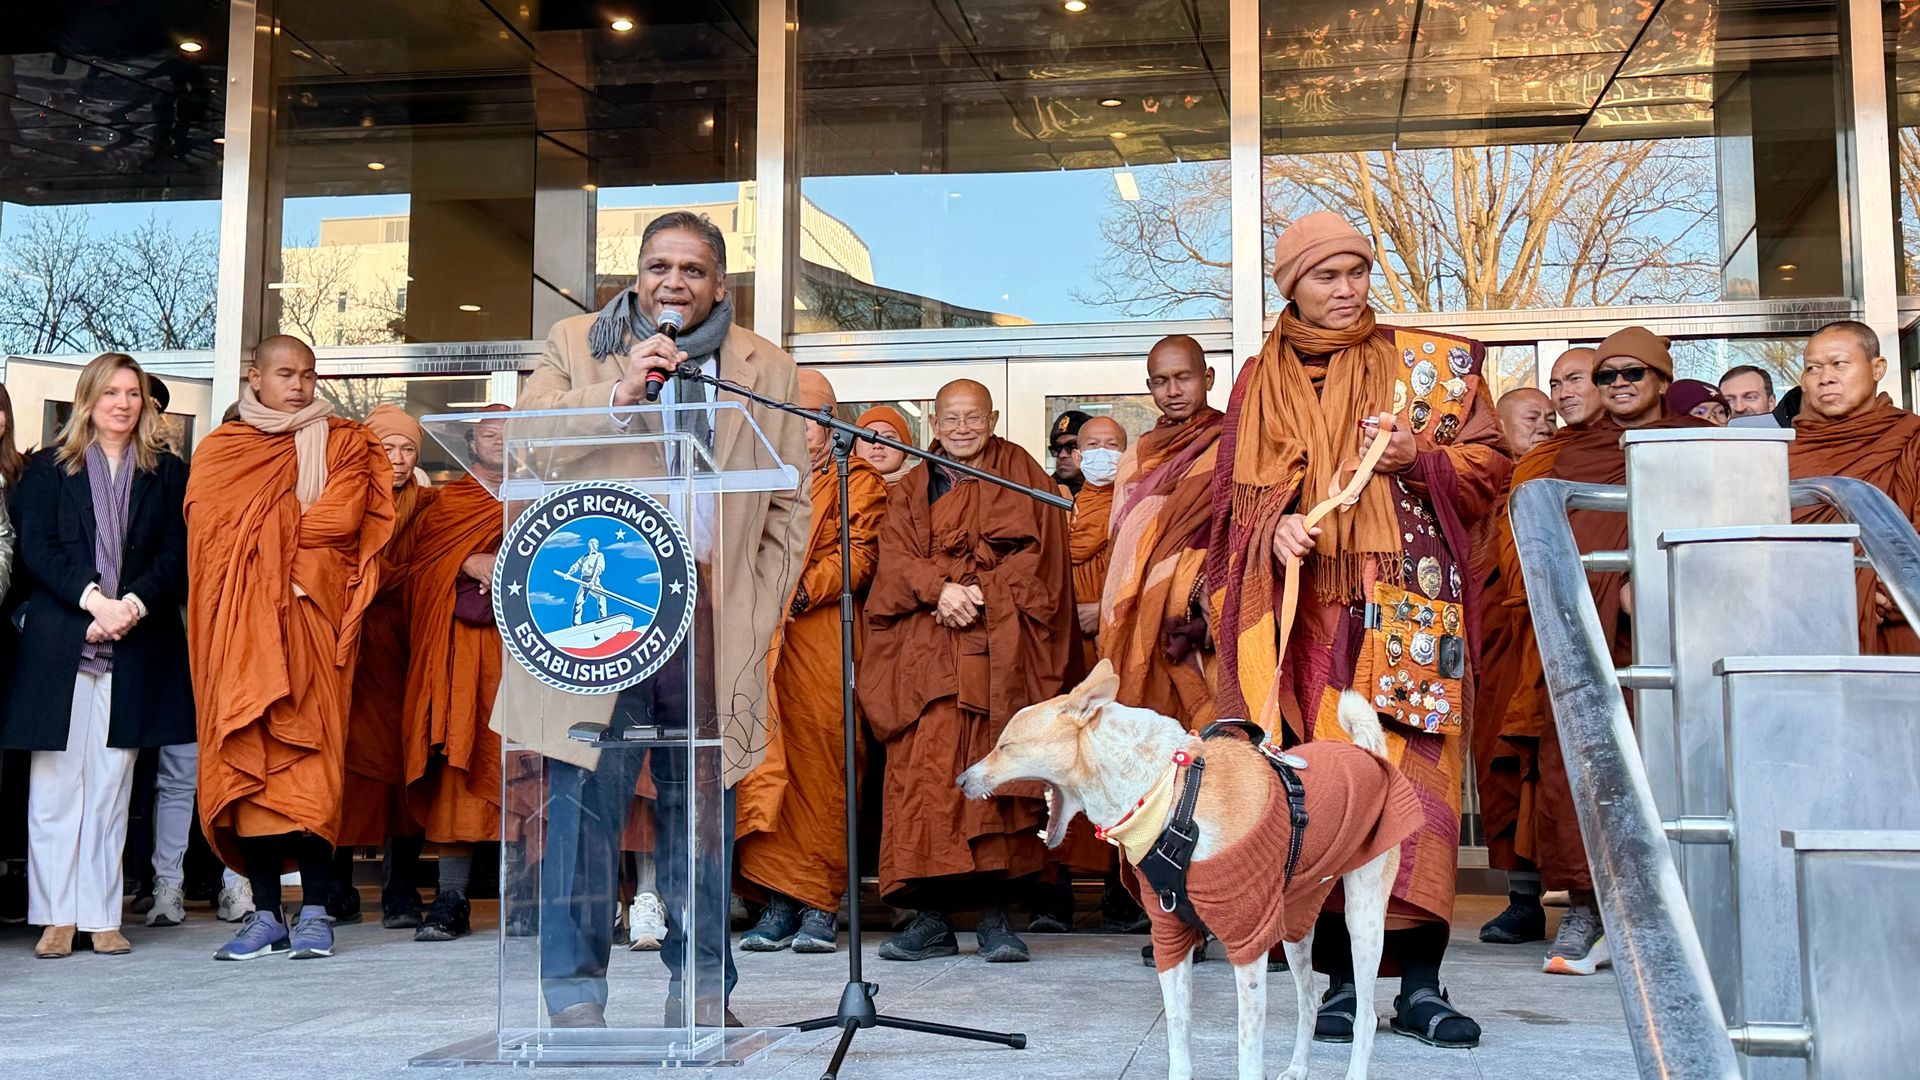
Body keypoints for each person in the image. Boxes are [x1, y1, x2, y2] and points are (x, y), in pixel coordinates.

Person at [1207, 211, 1510, 1047]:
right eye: (1326, 277)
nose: (1347, 291)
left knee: (1417, 791)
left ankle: (1421, 985)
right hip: (1306, 625)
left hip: (1407, 613)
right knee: (1329, 794)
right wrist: (1272, 531)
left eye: (1358, 273)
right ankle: (1341, 983)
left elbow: (1489, 468)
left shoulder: (1431, 368)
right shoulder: (1258, 381)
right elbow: (1232, 506)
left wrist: (1423, 459)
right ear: (1291, 287)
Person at [513, 209, 807, 1027]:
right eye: (658, 266)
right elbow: (526, 444)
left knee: (700, 808)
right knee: (581, 802)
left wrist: (758, 607)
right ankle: (573, 997)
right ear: (636, 277)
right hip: (600, 613)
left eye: (691, 269)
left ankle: (702, 988)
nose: (672, 282)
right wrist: (617, 392)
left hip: (712, 612)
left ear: (720, 285)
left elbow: (791, 502)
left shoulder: (766, 367)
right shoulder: (576, 345)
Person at [1486, 326, 1707, 978]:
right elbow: (1533, 546)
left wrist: (1646, 582)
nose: (1614, 387)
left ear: (1661, 380)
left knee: (1664, 772)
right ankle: (1585, 908)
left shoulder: (1686, 443)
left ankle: (1666, 917)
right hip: (1573, 637)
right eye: (1604, 376)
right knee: (1572, 775)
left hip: (1661, 643)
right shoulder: (1567, 455)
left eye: (1626, 375)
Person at [188, 335, 396, 962]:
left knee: (312, 766)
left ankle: (313, 910)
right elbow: (207, 532)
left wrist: (272, 530)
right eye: (286, 374)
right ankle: (264, 913)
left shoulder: (345, 442)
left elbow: (340, 524)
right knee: (242, 763)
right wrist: (289, 531)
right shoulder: (222, 450)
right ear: (254, 377)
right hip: (238, 631)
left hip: (310, 624)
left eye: (308, 375)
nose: (300, 386)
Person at [860, 378, 1073, 964]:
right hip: (927, 653)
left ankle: (995, 917)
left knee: (992, 776)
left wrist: (976, 591)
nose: (960, 428)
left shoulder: (1020, 472)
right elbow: (894, 560)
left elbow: (1042, 558)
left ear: (993, 417)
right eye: (950, 418)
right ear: (932, 419)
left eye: (972, 417)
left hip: (995, 649)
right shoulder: (913, 486)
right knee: (923, 778)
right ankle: (929, 919)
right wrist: (938, 590)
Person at [0, 353, 193, 959]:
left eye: (132, 393)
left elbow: (175, 551)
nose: (122, 403)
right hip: (64, 640)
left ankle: (101, 914)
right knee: (56, 786)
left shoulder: (167, 473)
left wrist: (131, 605)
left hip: (134, 640)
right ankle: (57, 916)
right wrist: (91, 603)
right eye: (110, 392)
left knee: (113, 784)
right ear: (87, 399)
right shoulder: (48, 471)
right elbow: (38, 550)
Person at [736, 369, 887, 954]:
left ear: (834, 423)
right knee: (766, 761)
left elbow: (862, 554)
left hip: (820, 631)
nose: (806, 427)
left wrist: (799, 588)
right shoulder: (755, 481)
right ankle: (775, 903)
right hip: (762, 640)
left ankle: (820, 904)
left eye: (818, 416)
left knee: (826, 760)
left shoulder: (858, 482)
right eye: (794, 413)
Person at [141, 374, 252, 930]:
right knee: (178, 769)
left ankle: (240, 886)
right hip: (187, 644)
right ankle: (168, 887)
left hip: (249, 653)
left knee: (244, 769)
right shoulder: (191, 482)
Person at [401, 406, 509, 943]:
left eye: (511, 433)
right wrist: (466, 561)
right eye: (490, 433)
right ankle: (451, 897)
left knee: (528, 771)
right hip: (465, 653)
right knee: (459, 769)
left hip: (526, 659)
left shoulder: (544, 497)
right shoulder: (449, 504)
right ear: (471, 444)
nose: (501, 440)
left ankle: (531, 898)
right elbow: (417, 571)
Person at [331, 404, 439, 930]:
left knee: (406, 761)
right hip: (352, 644)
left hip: (410, 642)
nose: (396, 460)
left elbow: (437, 563)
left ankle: (401, 886)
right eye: (386, 448)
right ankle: (338, 884)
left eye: (407, 449)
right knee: (348, 766)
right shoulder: (343, 498)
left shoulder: (431, 505)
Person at [1101, 334, 1222, 728]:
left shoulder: (1232, 442)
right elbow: (1121, 544)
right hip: (1142, 613)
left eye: (1183, 377)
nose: (1172, 391)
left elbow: (1240, 523)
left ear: (1208, 377)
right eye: (1160, 381)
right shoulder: (1139, 455)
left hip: (1205, 611)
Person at [1786, 321, 1920, 655]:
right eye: (1812, 368)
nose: (1824, 377)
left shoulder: (1910, 438)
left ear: (1878, 369)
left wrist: (1890, 586)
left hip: (1898, 624)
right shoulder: (1784, 451)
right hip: (1798, 624)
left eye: (1838, 364)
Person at [855, 405, 916, 486]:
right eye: (867, 438)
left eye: (889, 437)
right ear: (855, 447)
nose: (877, 445)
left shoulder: (922, 488)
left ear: (904, 448)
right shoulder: (837, 487)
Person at [1547, 347, 1600, 429]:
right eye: (1555, 385)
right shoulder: (1557, 440)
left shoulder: (1624, 436)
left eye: (1575, 379)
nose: (1563, 395)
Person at [1495, 387, 1557, 456]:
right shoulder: (1487, 464)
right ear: (1500, 427)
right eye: (1531, 418)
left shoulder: (1566, 462)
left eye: (1551, 420)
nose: (1546, 429)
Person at [1048, 409, 1091, 495]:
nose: (1062, 455)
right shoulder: (1045, 490)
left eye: (1072, 447)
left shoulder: (1114, 491)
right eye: (1057, 448)